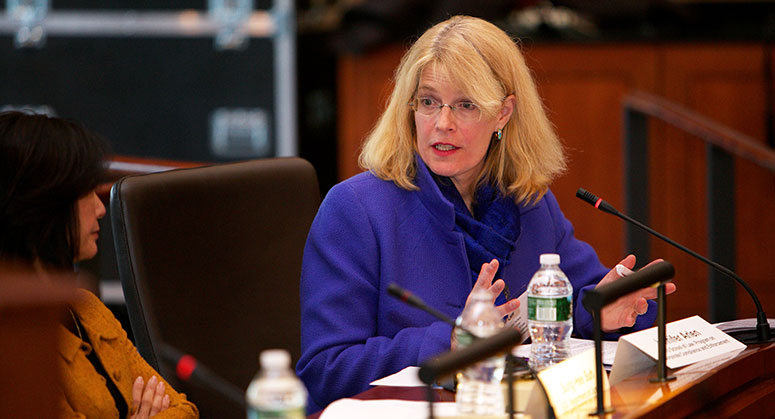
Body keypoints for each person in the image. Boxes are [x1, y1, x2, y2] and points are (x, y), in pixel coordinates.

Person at [296, 15, 676, 413]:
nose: (442, 123)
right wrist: (450, 341)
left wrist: (603, 311)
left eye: (466, 105)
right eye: (428, 102)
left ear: (503, 113)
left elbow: (581, 296)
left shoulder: (529, 202)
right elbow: (325, 370)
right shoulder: (356, 210)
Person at [0, 111, 199, 418]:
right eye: (84, 192)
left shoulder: (87, 307)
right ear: (42, 204)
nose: (100, 208)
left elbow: (184, 409)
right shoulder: (15, 336)